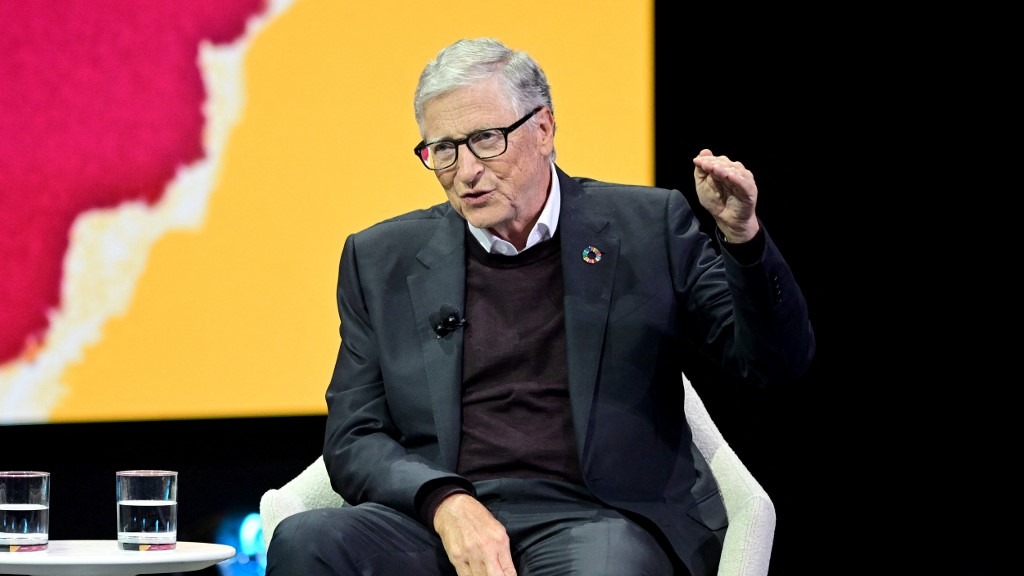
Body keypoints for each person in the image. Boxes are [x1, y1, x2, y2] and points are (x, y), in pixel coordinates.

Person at [266, 37, 815, 576]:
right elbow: (353, 435)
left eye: (485, 139)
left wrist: (744, 241)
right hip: (441, 522)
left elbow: (774, 362)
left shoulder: (647, 227)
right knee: (308, 541)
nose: (465, 171)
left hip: (597, 517)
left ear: (544, 129)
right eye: (444, 149)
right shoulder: (380, 258)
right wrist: (443, 502)